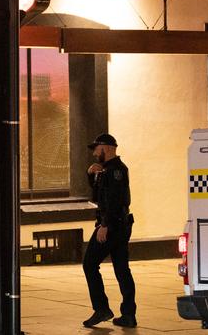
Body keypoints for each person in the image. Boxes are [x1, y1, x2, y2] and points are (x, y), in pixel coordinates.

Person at [82, 133, 137, 328]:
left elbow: (113, 201)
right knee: (122, 269)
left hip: (112, 225)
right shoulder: (108, 170)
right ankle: (128, 315)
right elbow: (97, 196)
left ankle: (102, 308)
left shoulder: (116, 171)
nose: (95, 153)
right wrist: (91, 175)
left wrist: (104, 225)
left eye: (97, 149)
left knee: (89, 264)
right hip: (119, 224)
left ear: (107, 148)